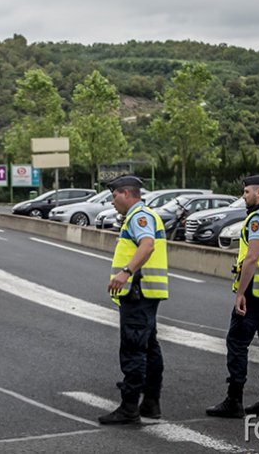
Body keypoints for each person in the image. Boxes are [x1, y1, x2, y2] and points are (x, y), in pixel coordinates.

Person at [206, 174, 259, 418]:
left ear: (258, 193)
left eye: (245, 193)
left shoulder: (258, 219)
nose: (243, 197)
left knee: (237, 342)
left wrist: (240, 293)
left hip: (255, 291)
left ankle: (234, 400)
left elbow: (252, 257)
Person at [99, 175, 169, 425]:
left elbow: (147, 245)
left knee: (133, 348)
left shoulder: (140, 216)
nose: (112, 200)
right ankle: (151, 402)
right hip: (147, 292)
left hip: (138, 293)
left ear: (127, 193)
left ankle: (130, 407)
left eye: (114, 195)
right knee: (149, 347)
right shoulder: (143, 215)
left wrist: (125, 272)